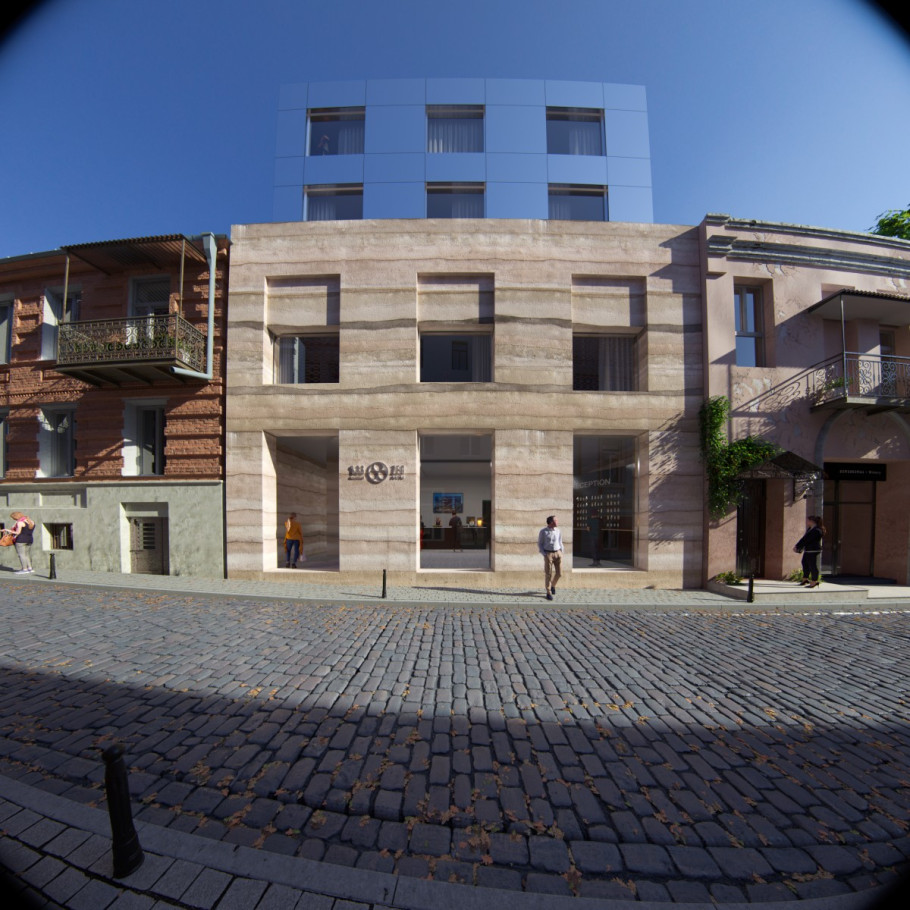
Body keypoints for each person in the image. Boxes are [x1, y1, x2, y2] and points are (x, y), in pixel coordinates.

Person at [793, 515, 825, 588]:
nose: (806, 522)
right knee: (804, 562)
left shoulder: (817, 530)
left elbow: (807, 540)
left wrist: (798, 546)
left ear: (812, 521)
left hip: (813, 550)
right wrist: (797, 545)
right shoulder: (810, 528)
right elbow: (804, 538)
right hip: (808, 549)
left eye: (808, 520)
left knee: (812, 565)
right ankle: (805, 579)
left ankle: (814, 581)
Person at [537, 515, 563, 600]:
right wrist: (544, 554)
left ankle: (553, 585)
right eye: (556, 520)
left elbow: (560, 541)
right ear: (551, 522)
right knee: (548, 573)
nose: (557, 521)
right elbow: (540, 543)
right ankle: (548, 592)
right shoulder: (543, 531)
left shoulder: (558, 531)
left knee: (559, 573)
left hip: (558, 553)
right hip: (548, 554)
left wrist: (561, 551)